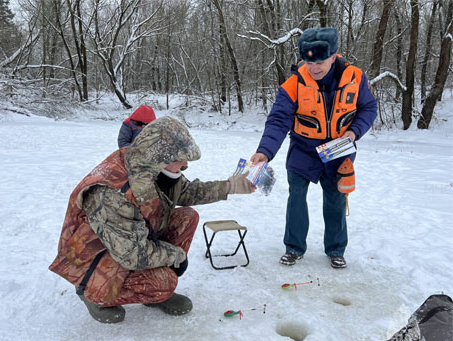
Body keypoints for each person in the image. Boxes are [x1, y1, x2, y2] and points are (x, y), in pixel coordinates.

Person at [50, 116, 255, 323]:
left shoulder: (152, 168)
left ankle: (152, 293)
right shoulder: (111, 194)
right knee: (164, 282)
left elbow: (187, 191)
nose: (185, 165)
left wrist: (230, 187)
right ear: (160, 158)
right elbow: (133, 255)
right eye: (180, 159)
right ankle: (94, 294)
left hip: (129, 241)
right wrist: (175, 255)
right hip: (95, 259)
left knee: (187, 217)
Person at [249, 27, 377, 269]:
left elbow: (369, 108)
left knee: (336, 198)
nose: (314, 68)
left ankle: (336, 249)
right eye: (308, 62)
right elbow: (278, 119)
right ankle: (294, 248)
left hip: (339, 150)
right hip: (303, 149)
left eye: (319, 62)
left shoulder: (356, 77)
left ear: (333, 56)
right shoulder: (293, 84)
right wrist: (264, 151)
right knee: (296, 197)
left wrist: (354, 132)